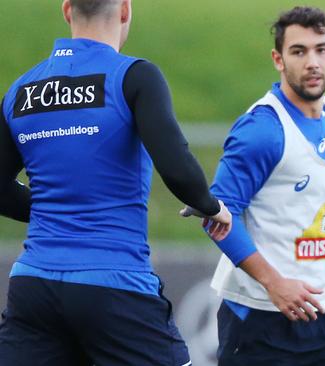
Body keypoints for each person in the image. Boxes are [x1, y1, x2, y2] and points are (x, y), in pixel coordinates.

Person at [0, 1, 232, 365]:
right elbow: (177, 168)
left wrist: (57, 211)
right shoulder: (134, 76)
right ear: (125, 10)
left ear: (66, 10)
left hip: (34, 286)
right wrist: (213, 206)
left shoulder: (20, 90)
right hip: (113, 285)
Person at [200, 6, 325, 366]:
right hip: (260, 320)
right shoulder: (261, 130)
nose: (312, 62)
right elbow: (216, 216)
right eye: (298, 51)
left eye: (321, 49)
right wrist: (274, 284)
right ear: (278, 59)